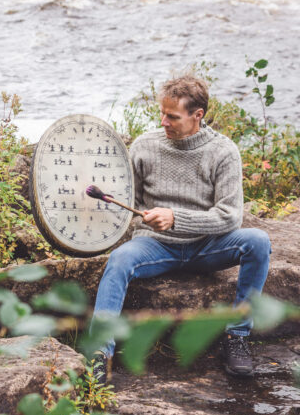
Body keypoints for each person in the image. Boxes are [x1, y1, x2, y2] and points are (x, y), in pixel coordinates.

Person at [90, 75, 271, 380]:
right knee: (119, 259)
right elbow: (129, 202)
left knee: (258, 241)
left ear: (197, 115)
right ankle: (99, 354)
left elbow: (230, 217)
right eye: (161, 113)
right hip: (154, 245)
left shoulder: (223, 151)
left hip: (207, 247)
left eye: (172, 116)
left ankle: (237, 335)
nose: (164, 122)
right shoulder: (144, 146)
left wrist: (176, 218)